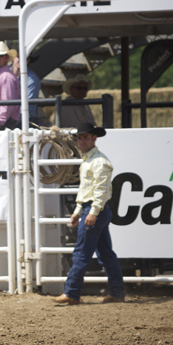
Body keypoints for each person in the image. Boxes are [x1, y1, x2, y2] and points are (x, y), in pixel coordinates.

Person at [52, 122, 125, 305]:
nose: (82, 140)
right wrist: (79, 209)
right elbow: (89, 189)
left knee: (81, 252)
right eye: (80, 137)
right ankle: (116, 292)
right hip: (95, 209)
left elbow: (99, 190)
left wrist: (92, 211)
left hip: (95, 210)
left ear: (94, 138)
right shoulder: (92, 160)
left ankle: (72, 292)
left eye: (85, 137)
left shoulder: (98, 161)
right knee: (105, 253)